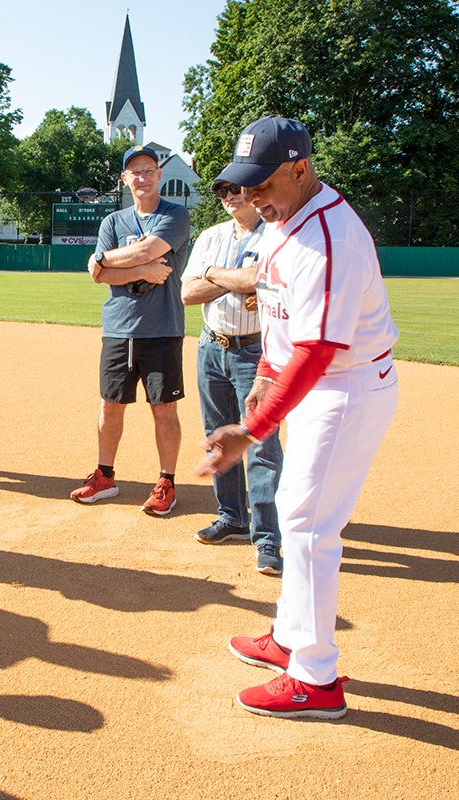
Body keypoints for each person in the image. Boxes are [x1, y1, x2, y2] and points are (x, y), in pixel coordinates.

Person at [196, 116, 399, 719]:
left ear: (300, 169)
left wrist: (251, 427)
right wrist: (260, 384)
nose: (251, 197)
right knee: (294, 509)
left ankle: (316, 679)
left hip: (345, 388)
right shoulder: (286, 223)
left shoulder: (329, 237)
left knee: (309, 526)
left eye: (262, 185)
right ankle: (288, 638)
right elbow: (280, 320)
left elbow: (316, 351)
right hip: (314, 382)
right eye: (244, 186)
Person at [73, 145, 190, 516]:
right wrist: (138, 270)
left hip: (163, 327)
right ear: (125, 179)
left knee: (164, 409)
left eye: (148, 170)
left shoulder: (176, 214)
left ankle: (166, 482)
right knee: (110, 406)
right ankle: (105, 476)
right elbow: (100, 275)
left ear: (158, 175)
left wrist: (104, 258)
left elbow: (143, 252)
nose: (142, 177)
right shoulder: (113, 222)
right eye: (134, 172)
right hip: (119, 328)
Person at [181, 175, 284, 575]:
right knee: (218, 435)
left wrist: (212, 275)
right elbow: (188, 294)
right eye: (223, 191)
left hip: (255, 349)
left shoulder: (275, 233)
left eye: (237, 189)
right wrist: (233, 279)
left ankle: (267, 536)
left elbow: (257, 280)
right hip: (211, 345)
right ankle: (232, 517)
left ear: (252, 190)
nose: (230, 197)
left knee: (260, 442)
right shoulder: (211, 235)